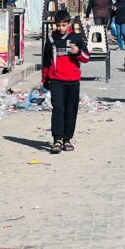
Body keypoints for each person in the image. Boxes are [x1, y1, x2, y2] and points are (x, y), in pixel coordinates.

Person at [41, 10, 90, 154]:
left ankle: (67, 139)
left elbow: (86, 57)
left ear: (69, 24)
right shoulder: (50, 40)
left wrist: (78, 52)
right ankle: (57, 139)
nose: (60, 28)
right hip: (56, 80)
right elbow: (45, 62)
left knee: (71, 110)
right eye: (58, 25)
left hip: (73, 81)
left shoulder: (77, 38)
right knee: (58, 109)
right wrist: (45, 80)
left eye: (63, 25)